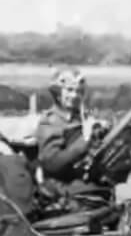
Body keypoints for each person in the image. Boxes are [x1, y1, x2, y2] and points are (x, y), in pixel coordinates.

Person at [34, 67, 107, 198]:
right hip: (60, 186)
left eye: (79, 92)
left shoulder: (82, 117)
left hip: (84, 180)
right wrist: (84, 140)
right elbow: (52, 164)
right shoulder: (50, 121)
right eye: (69, 90)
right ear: (57, 93)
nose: (74, 96)